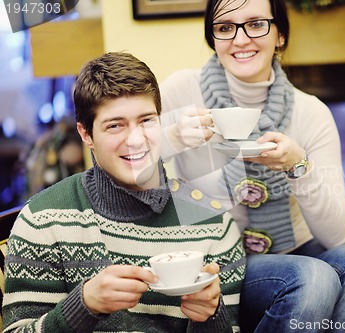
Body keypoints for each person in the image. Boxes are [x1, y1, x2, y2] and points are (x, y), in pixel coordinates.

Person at [159, 0, 345, 332]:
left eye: (256, 24)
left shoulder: (310, 112)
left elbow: (338, 236)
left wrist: (298, 166)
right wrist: (173, 135)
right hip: (218, 257)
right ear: (212, 38)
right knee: (313, 277)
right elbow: (129, 163)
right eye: (225, 27)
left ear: (280, 35)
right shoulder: (182, 91)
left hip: (296, 248)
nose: (240, 39)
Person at [1, 52, 246, 333]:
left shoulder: (213, 224)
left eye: (146, 121)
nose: (136, 140)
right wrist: (83, 305)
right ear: (86, 134)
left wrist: (211, 318)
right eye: (115, 125)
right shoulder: (44, 220)